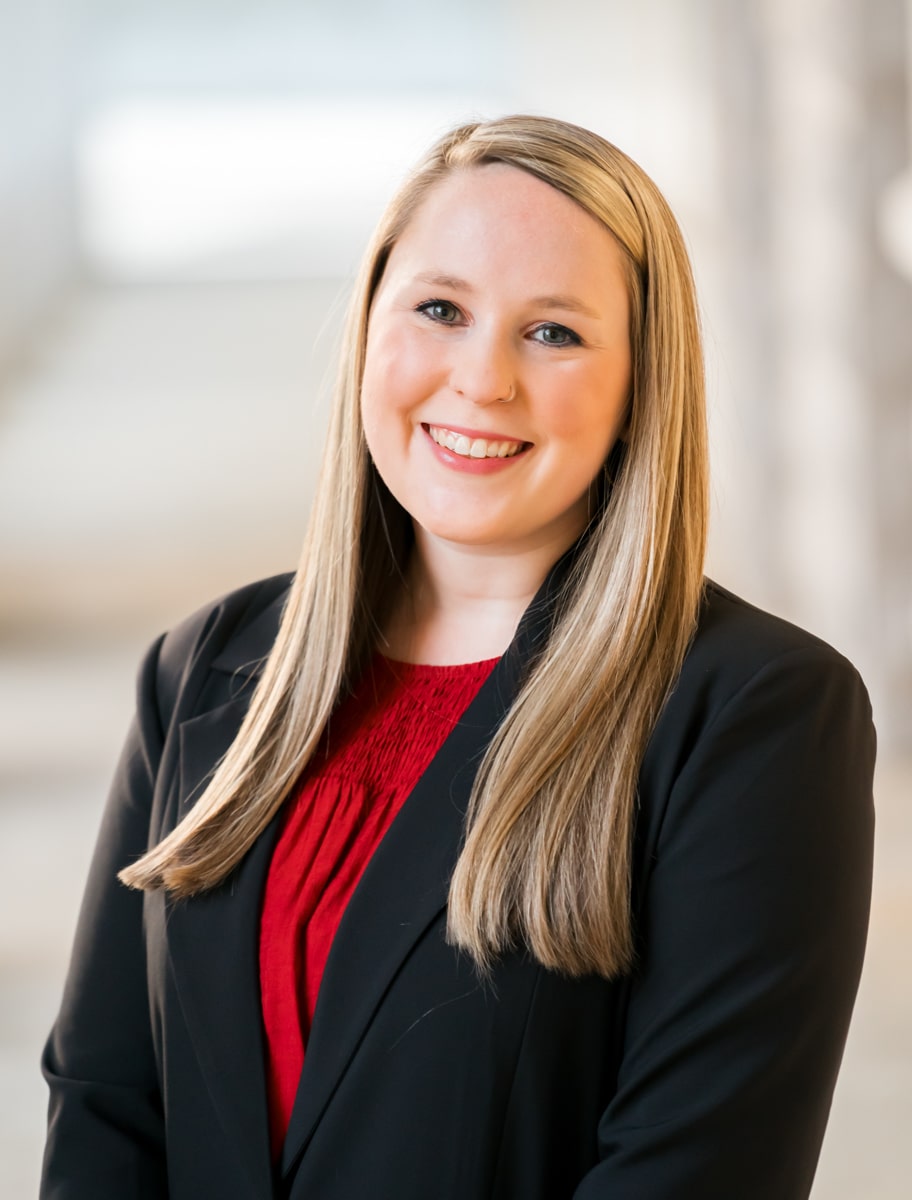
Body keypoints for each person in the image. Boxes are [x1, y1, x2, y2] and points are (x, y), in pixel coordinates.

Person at [40, 115, 875, 1200]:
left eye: (554, 333)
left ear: (638, 390)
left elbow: (693, 1171)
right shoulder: (205, 670)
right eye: (440, 309)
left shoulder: (756, 717)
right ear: (368, 334)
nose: (482, 381)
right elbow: (107, 1108)